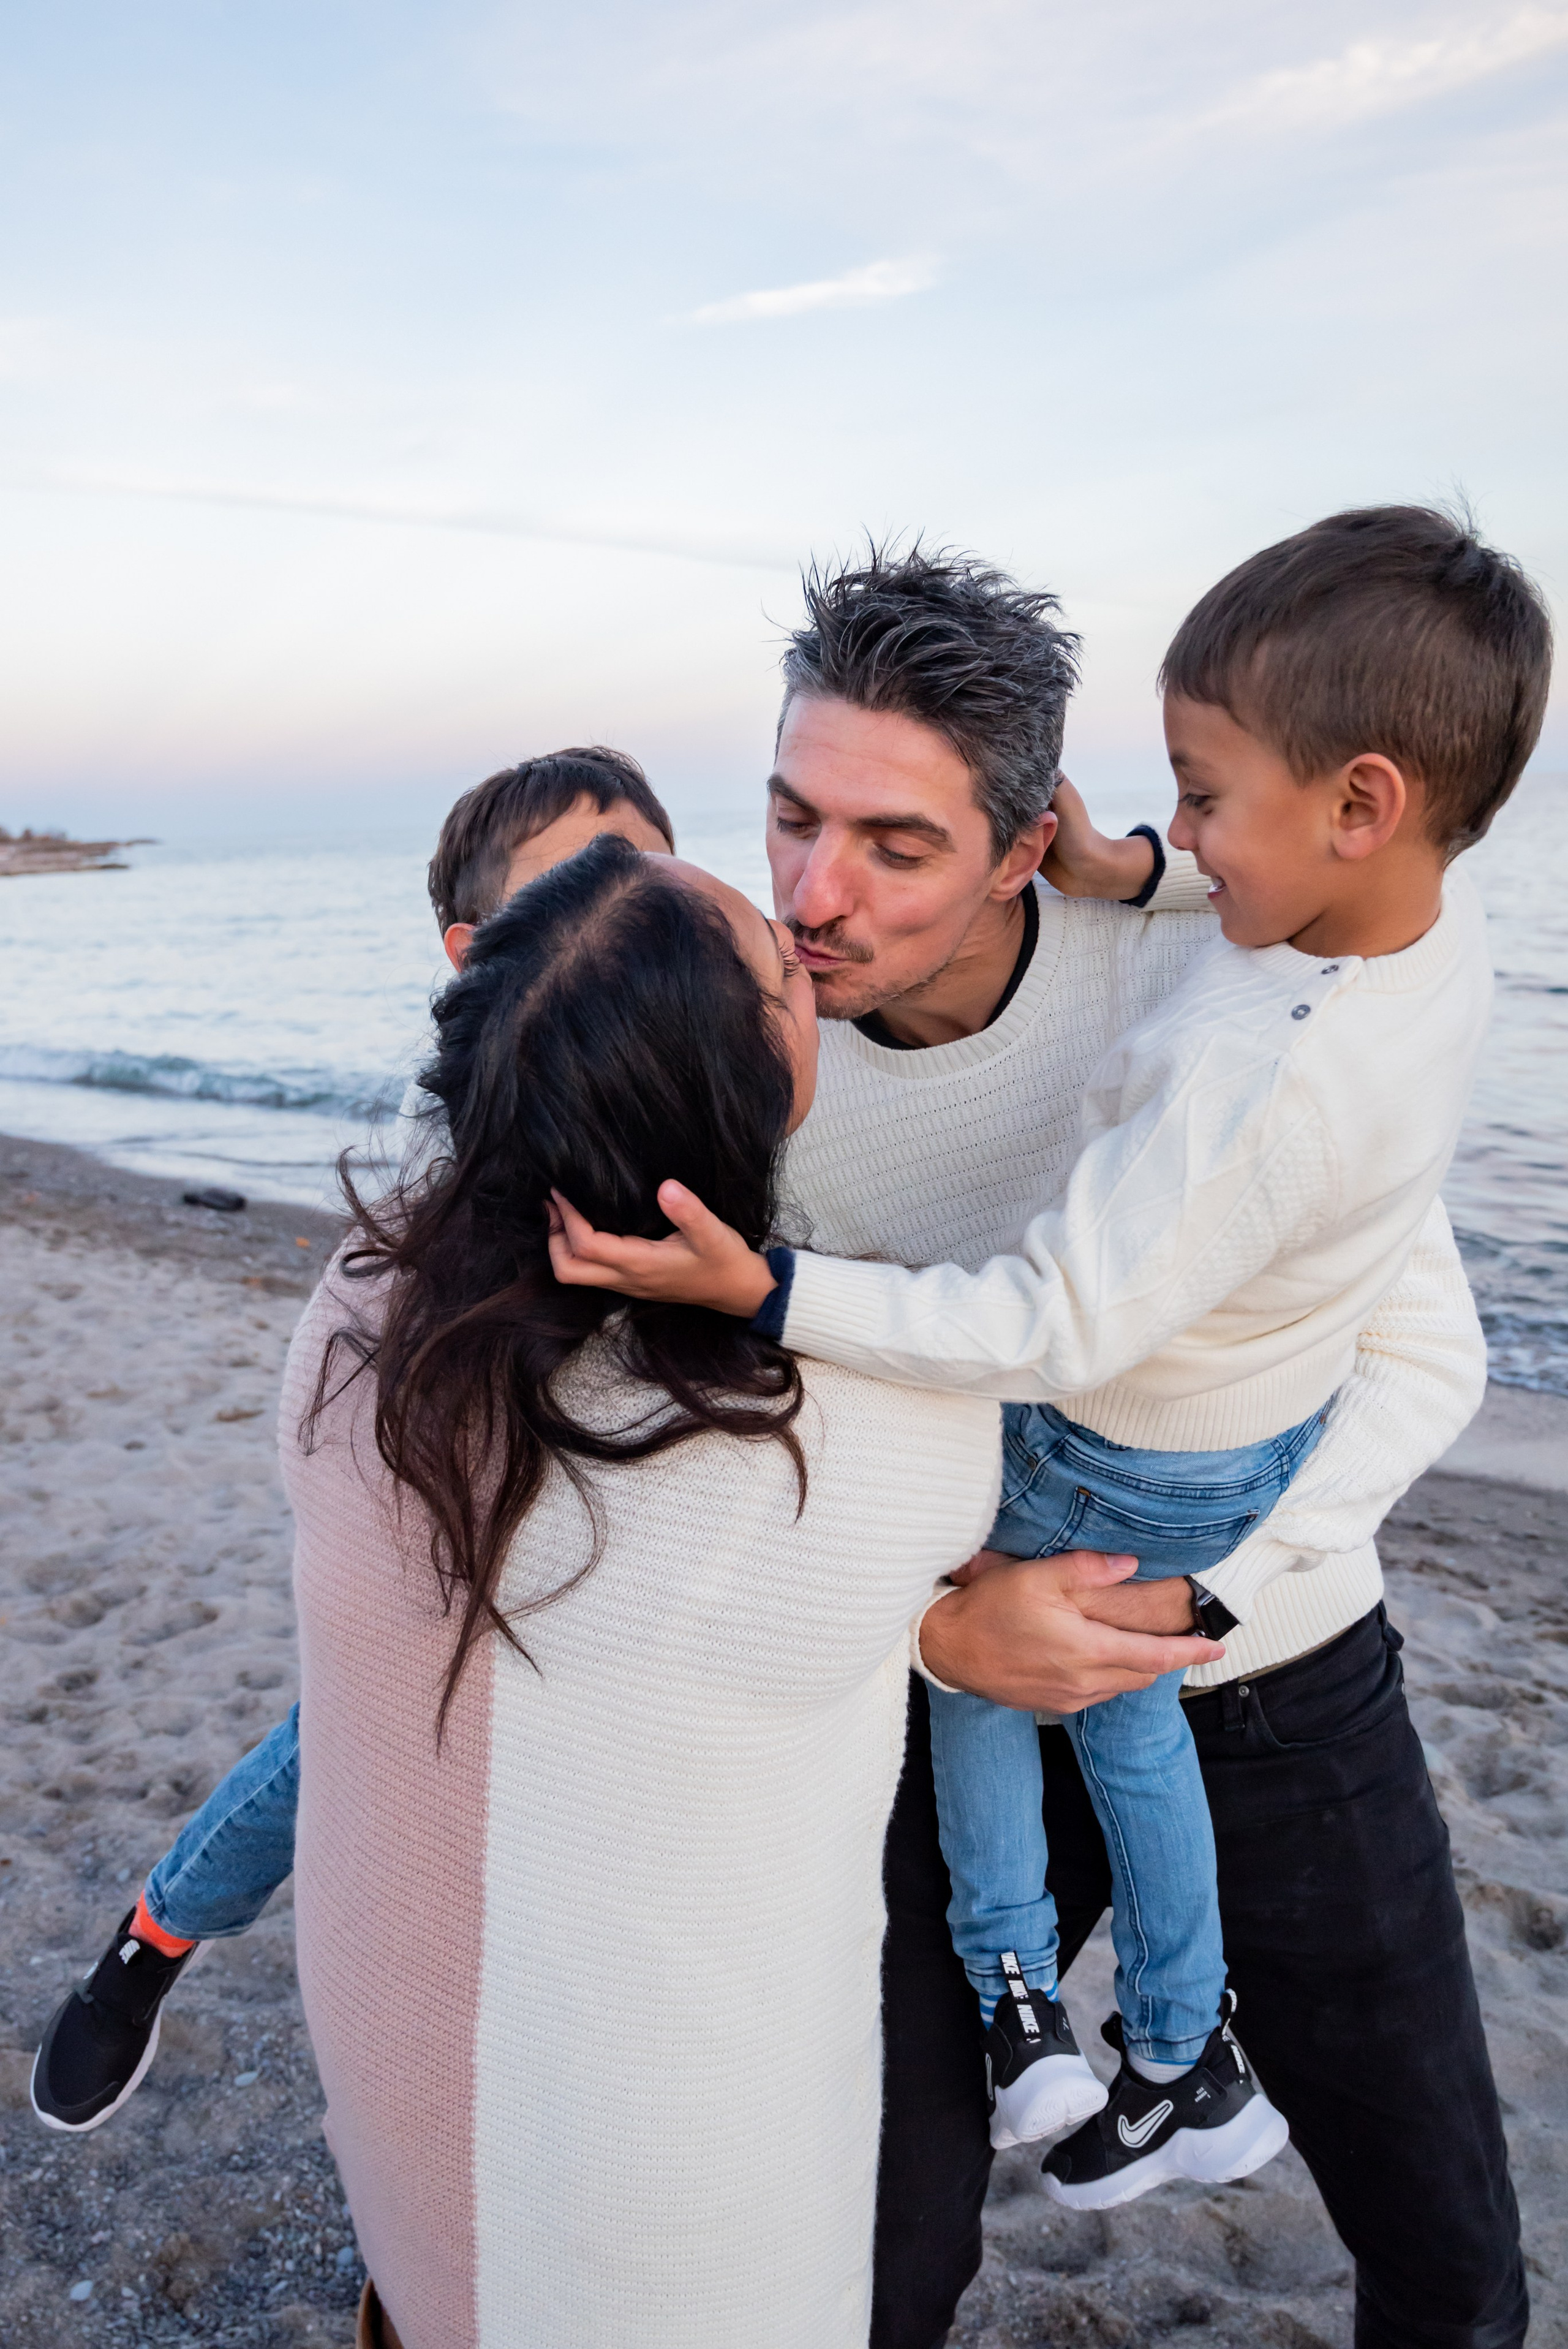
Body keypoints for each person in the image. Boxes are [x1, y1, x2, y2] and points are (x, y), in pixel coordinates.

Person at [540, 537, 1526, 2348]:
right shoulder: (739, 1081)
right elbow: (713, 1478)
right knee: (882, 2251)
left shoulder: (1219, 974)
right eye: (789, 817)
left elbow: (1419, 1347)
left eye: (895, 845)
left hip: (1272, 1664)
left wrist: (1204, 1594)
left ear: (1020, 847)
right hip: (958, 1680)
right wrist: (944, 1626)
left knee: (1454, 2258)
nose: (812, 894)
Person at [282, 832, 1109, 2347]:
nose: (805, 933)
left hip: (397, 2097)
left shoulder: (352, 1320)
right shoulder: (858, 1433)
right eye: (774, 972)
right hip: (652, 2203)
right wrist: (936, 1629)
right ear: (746, 1105)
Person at [29, 746, 675, 2137]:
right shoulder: (449, 1124)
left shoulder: (706, 1039)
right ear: (470, 950)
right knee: (362, 1718)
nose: (628, 908)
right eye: (582, 879)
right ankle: (158, 1931)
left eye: (651, 870)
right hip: (462, 1452)